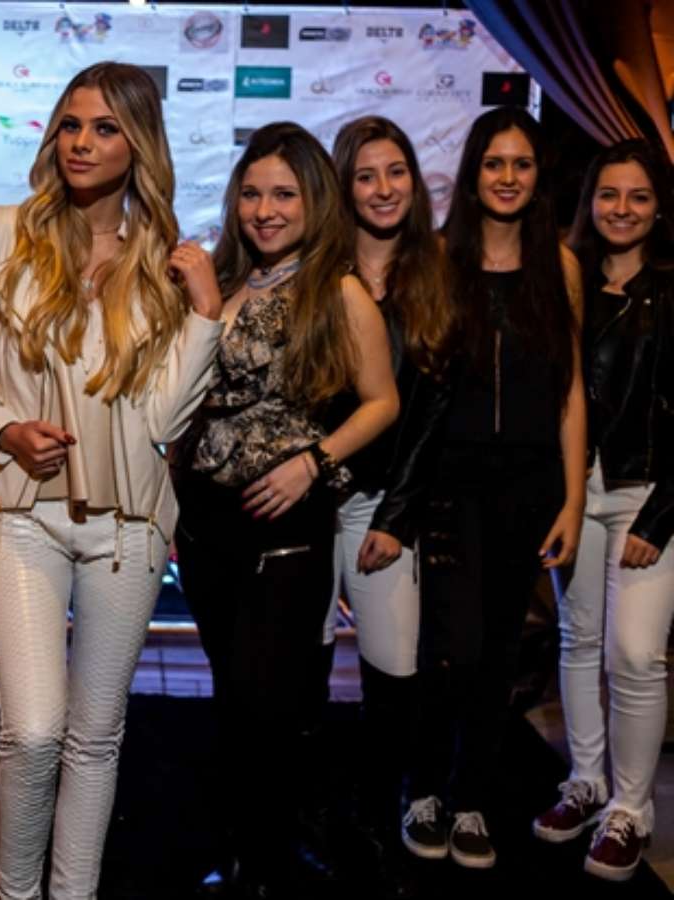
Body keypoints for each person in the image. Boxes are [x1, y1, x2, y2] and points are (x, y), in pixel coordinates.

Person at [0, 61, 224, 900]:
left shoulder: (164, 263)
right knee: (32, 730)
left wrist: (205, 315)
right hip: (20, 509)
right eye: (70, 124)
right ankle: (13, 890)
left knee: (96, 736)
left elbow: (164, 419)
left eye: (104, 128)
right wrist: (4, 429)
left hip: (128, 523)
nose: (81, 143)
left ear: (140, 145)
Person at [171, 121, 399, 898]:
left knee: (265, 701)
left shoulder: (336, 289)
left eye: (283, 195)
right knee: (233, 698)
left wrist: (314, 462)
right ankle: (245, 850)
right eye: (251, 193)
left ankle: (268, 864)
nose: (264, 210)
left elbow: (381, 402)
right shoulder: (223, 281)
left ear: (314, 201)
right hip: (206, 524)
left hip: (285, 526)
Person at [401, 106, 586, 869]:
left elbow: (571, 391)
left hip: (530, 485)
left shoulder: (561, 267)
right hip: (452, 483)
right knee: (452, 646)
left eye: (522, 164)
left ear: (539, 177)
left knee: (501, 649)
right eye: (494, 163)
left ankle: (471, 797)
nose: (508, 177)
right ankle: (422, 789)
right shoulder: (438, 261)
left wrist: (572, 500)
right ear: (473, 172)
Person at [314, 115, 452, 897]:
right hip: (308, 503)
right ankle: (304, 820)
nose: (383, 188)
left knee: (393, 676)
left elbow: (432, 415)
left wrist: (396, 520)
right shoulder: (314, 275)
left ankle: (373, 821)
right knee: (300, 675)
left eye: (395, 171)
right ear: (343, 187)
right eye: (365, 175)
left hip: (383, 508)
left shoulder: (436, 277)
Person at [532, 139, 674, 882]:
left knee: (636, 656)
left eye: (639, 196)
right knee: (578, 638)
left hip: (646, 494)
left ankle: (631, 810)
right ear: (588, 201)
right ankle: (585, 782)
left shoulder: (673, 288)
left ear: (660, 206)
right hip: (572, 492)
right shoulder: (565, 279)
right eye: (609, 194)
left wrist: (659, 519)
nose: (622, 209)